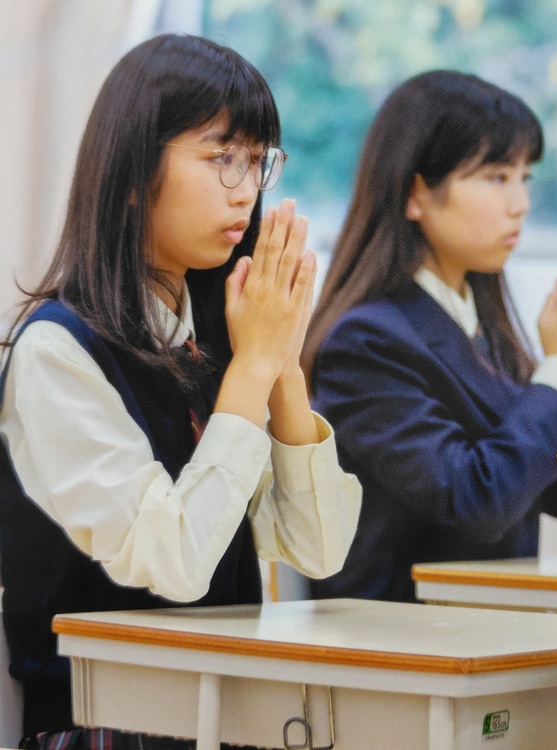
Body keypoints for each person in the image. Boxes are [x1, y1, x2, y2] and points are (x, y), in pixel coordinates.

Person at [0, 34, 362, 746]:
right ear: (135, 171)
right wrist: (253, 369)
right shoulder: (58, 351)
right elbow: (174, 567)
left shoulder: (220, 341)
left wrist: (281, 362)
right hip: (103, 730)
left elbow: (320, 550)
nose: (246, 189)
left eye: (258, 162)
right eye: (221, 157)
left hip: (227, 716)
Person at [302, 70, 557, 603]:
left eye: (524, 178)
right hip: (400, 638)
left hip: (492, 630)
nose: (520, 203)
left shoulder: (484, 326)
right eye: (496, 176)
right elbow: (473, 502)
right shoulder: (365, 340)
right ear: (415, 193)